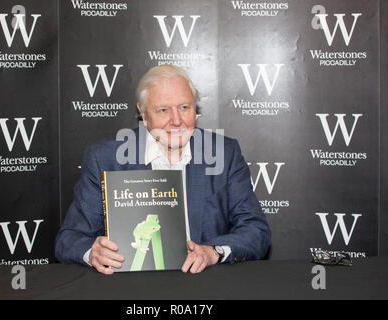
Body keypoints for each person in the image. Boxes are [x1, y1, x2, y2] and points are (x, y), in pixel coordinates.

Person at [55, 65, 271, 274]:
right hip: (132, 288)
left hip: (205, 285)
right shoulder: (105, 159)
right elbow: (70, 239)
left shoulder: (225, 153)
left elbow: (256, 231)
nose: (176, 121)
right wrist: (93, 253)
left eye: (185, 107)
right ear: (143, 112)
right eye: (163, 110)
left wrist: (213, 251)